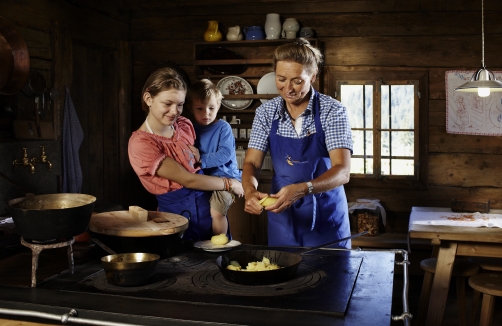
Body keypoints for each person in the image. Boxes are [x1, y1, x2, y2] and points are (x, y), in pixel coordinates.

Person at [242, 38, 353, 248]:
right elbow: (252, 164)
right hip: (283, 218)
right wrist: (249, 191)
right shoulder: (266, 113)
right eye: (281, 78)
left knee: (334, 279)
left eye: (297, 80)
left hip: (326, 218)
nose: (288, 88)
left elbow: (342, 171)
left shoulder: (333, 111)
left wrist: (304, 188)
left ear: (313, 77)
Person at [128, 67, 243, 241]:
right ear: (148, 98)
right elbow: (188, 178)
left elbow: (198, 164)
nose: (174, 111)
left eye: (180, 105)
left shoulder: (183, 125)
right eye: (167, 104)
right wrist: (229, 183)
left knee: (219, 257)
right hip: (176, 218)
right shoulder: (141, 144)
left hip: (208, 211)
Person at [186, 79, 243, 235]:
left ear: (218, 106)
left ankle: (219, 245)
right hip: (205, 179)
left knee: (217, 213)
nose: (206, 114)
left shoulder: (223, 127)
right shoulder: (189, 127)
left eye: (211, 108)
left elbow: (225, 155)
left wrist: (201, 159)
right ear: (191, 108)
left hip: (226, 178)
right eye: (200, 108)